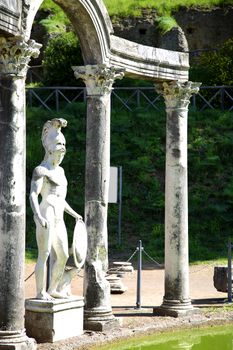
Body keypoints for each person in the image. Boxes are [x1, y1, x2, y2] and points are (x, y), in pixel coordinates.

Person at [29, 118, 82, 300]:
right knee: (44, 253)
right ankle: (40, 292)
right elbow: (33, 195)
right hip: (46, 213)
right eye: (59, 150)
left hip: (59, 215)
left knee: (64, 255)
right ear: (50, 149)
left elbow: (61, 199)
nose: (62, 154)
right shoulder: (40, 170)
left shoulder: (61, 172)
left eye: (63, 151)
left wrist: (75, 215)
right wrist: (38, 216)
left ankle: (52, 289)